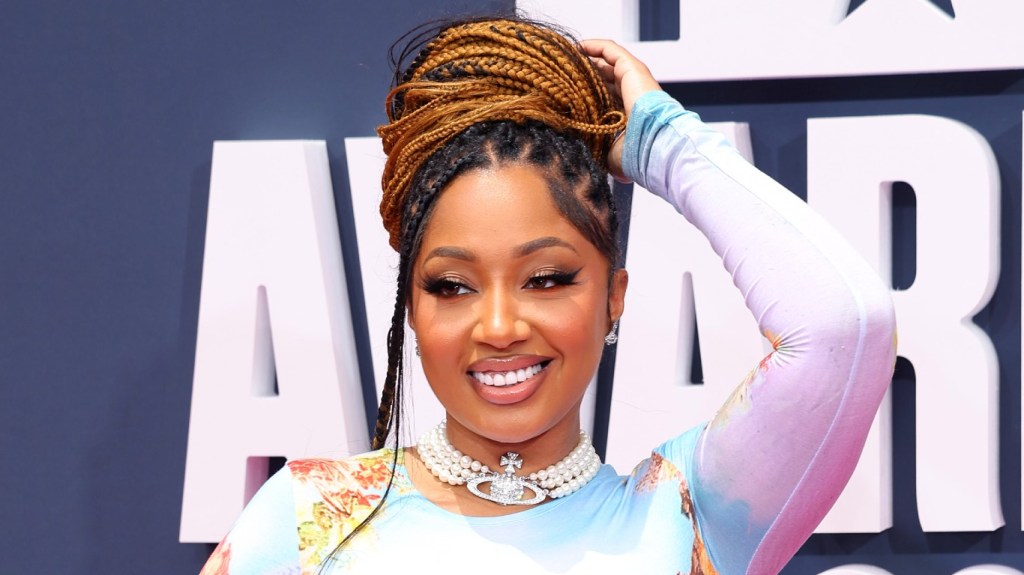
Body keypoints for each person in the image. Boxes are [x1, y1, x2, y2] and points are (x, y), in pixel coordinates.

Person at [199, 16, 896, 575]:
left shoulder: (686, 519)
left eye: (547, 278)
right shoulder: (305, 522)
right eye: (452, 286)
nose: (499, 325)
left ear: (613, 297)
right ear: (413, 307)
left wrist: (664, 144)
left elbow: (844, 327)